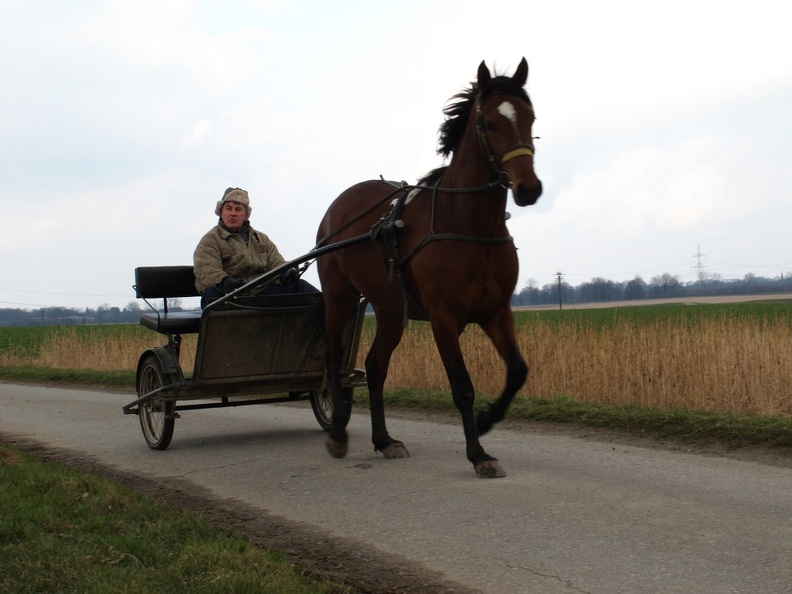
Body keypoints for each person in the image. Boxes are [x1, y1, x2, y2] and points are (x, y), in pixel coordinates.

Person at [193, 187, 318, 308]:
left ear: (246, 214)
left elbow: (277, 263)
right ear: (221, 211)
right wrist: (224, 281)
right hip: (230, 296)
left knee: (302, 288)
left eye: (238, 209)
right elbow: (206, 269)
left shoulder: (262, 239)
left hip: (262, 292)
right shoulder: (210, 240)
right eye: (228, 208)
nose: (233, 213)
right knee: (211, 297)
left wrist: (287, 273)